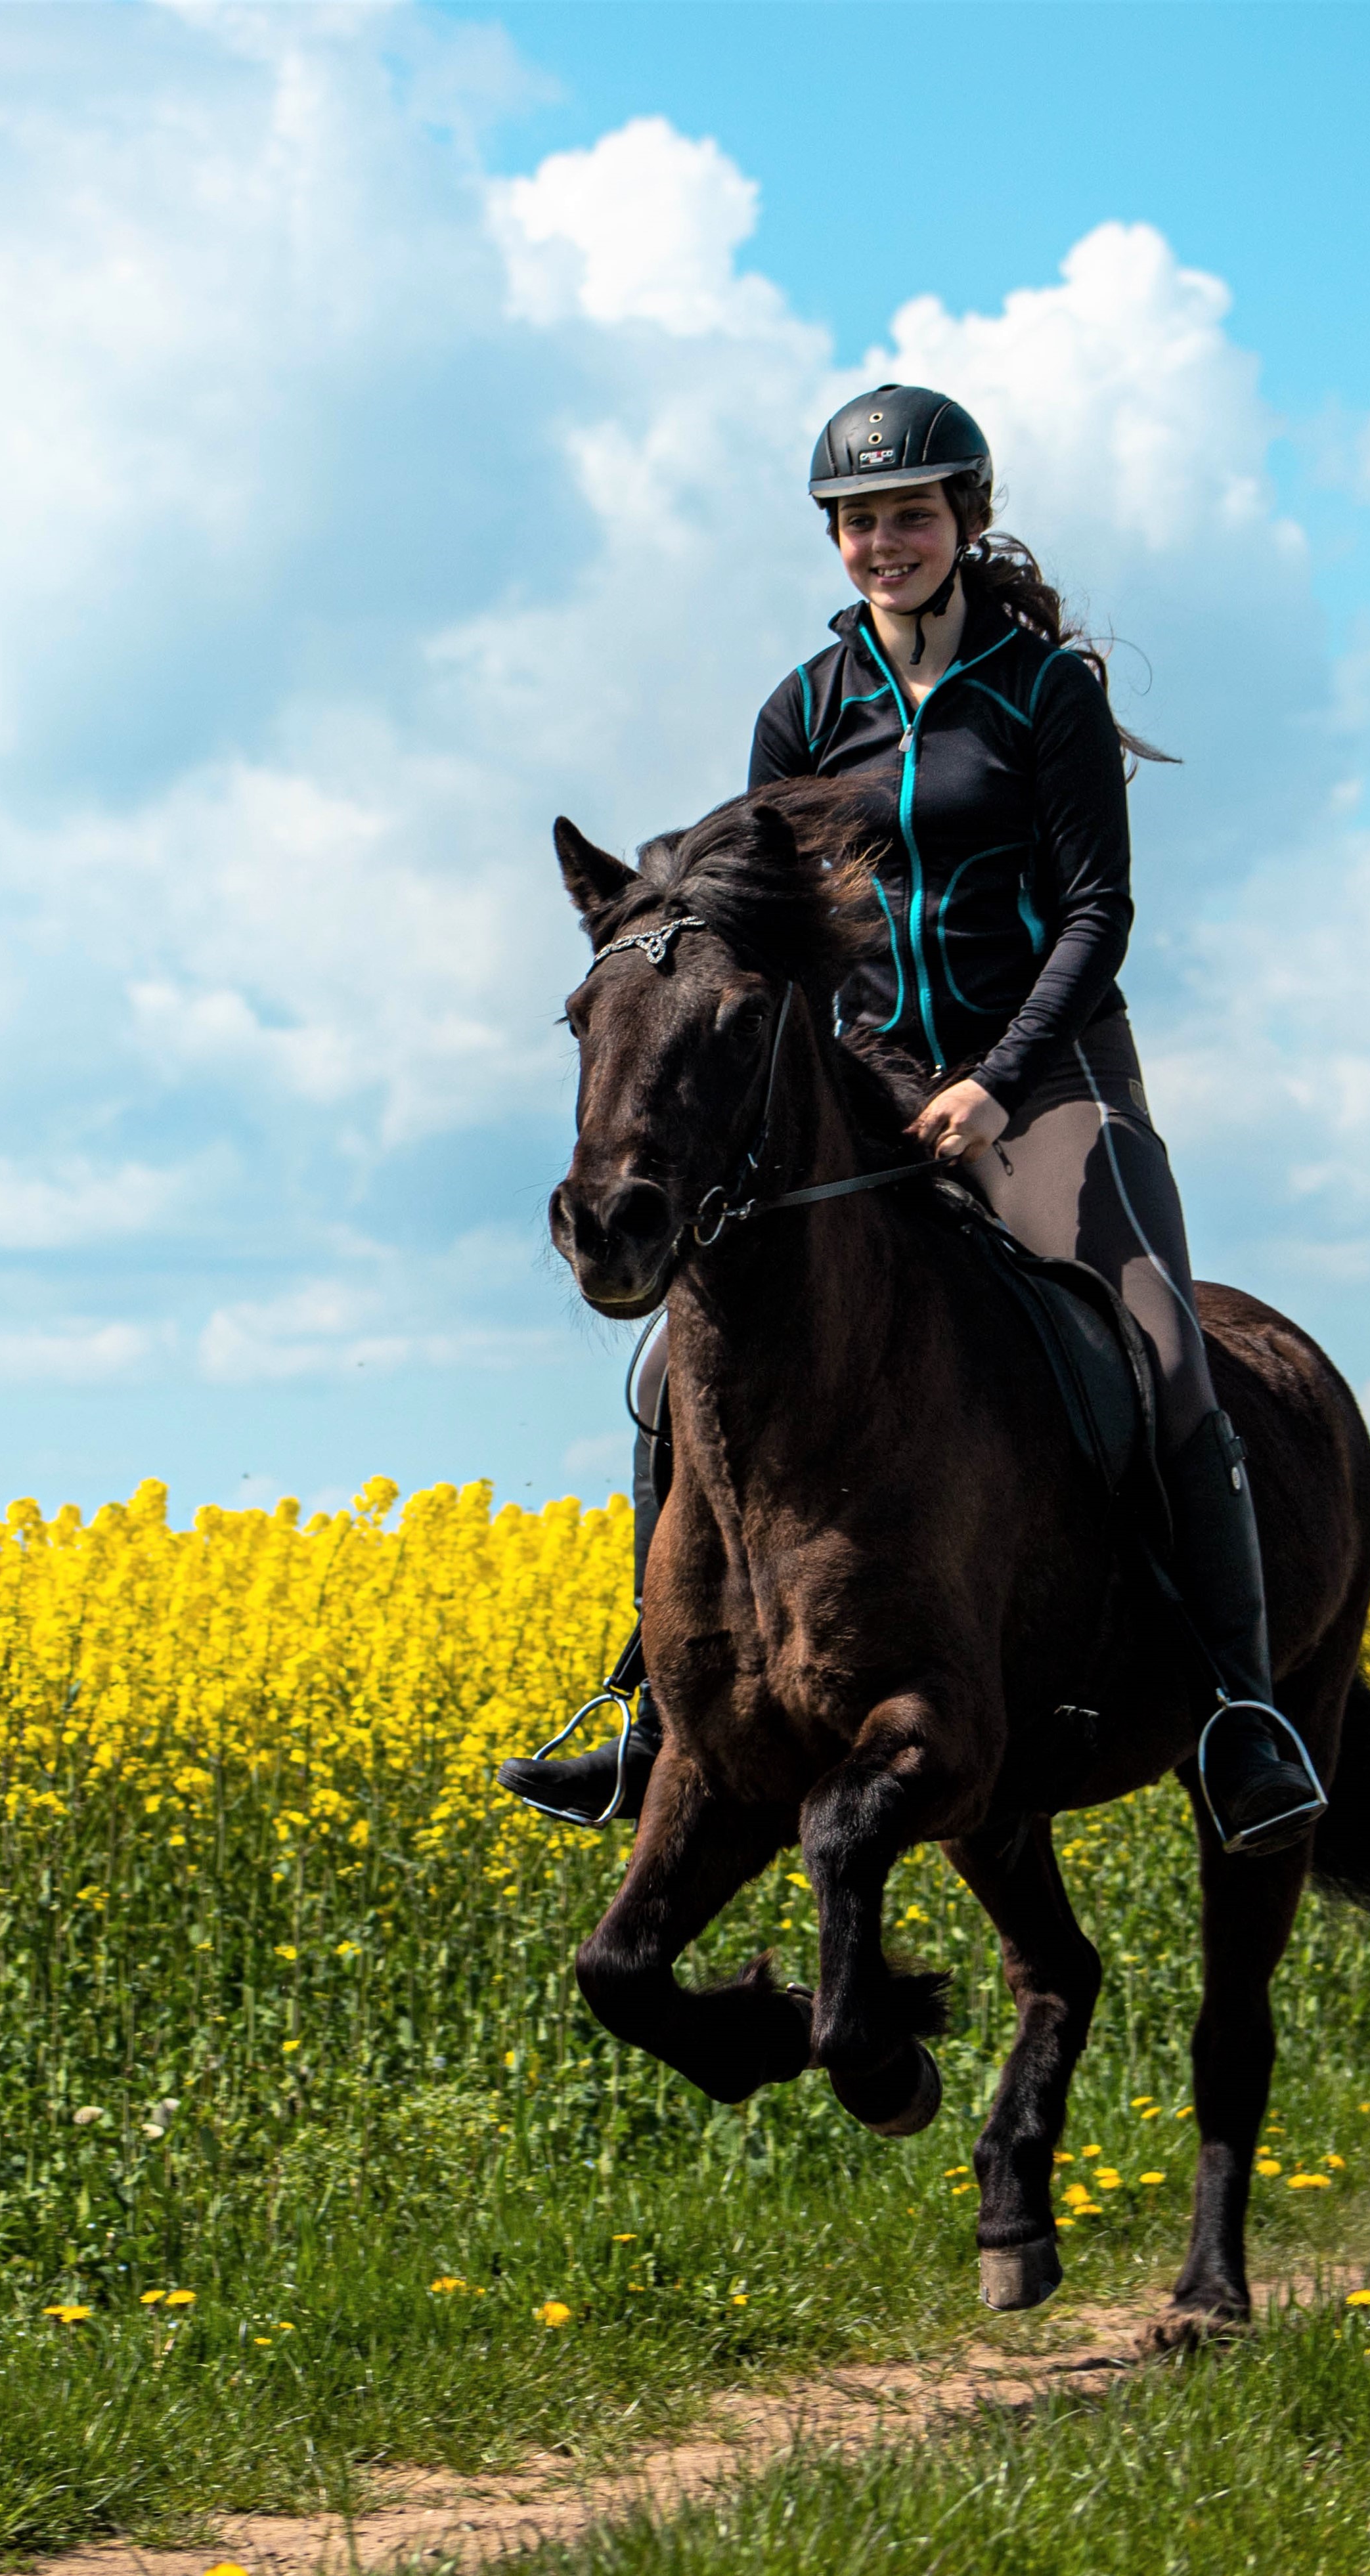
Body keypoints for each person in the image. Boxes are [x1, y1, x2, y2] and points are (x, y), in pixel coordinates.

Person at [499, 383, 1327, 1858]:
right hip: (867, 1096)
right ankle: (649, 1702)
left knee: (1160, 1347)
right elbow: (754, 933)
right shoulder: (804, 713)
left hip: (1052, 1080)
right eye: (859, 521)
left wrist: (998, 1079)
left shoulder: (1040, 693)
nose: (884, 542)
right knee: (666, 1381)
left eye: (910, 515)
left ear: (965, 522)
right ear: (836, 538)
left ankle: (1235, 1711)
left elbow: (1096, 912)